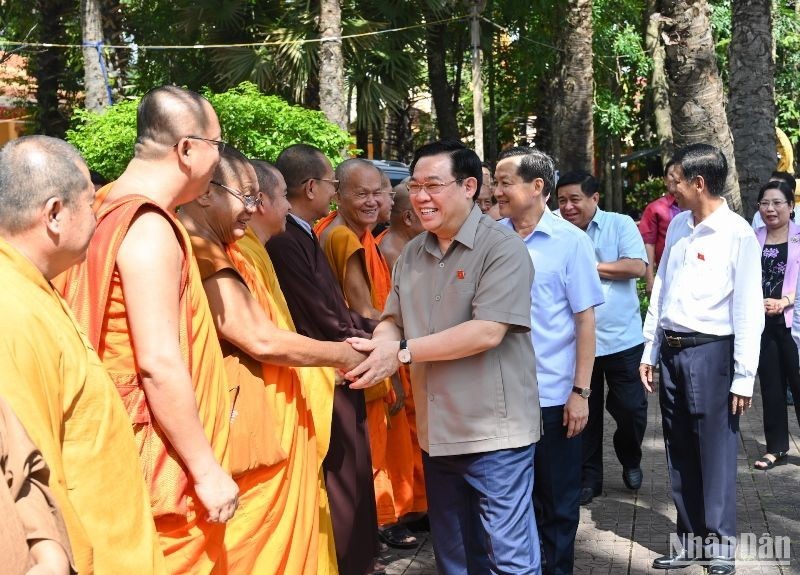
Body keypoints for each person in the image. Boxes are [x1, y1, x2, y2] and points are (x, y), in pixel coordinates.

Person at [59, 86, 237, 574]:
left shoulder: (99, 205)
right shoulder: (147, 227)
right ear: (187, 149)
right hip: (156, 458)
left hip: (113, 437)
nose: (218, 163)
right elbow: (158, 363)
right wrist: (206, 470)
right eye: (217, 147)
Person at [346, 140, 542, 574]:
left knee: (507, 558)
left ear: (469, 186)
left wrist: (399, 353)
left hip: (493, 434)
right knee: (453, 557)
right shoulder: (413, 253)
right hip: (436, 434)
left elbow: (487, 331)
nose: (420, 197)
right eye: (415, 186)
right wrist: (383, 341)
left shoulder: (502, 248)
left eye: (433, 185)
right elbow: (391, 317)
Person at [181, 147, 370, 573]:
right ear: (207, 194)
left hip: (271, 415)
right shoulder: (204, 252)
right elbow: (259, 338)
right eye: (247, 197)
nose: (257, 208)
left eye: (257, 198)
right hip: (239, 423)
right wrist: (339, 355)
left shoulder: (237, 249)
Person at [0, 135, 165, 574]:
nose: (97, 217)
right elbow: (30, 469)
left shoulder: (32, 287)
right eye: (90, 204)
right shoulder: (11, 309)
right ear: (54, 214)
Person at [640, 144, 763, 575]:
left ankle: (721, 545)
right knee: (679, 451)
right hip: (672, 351)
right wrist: (650, 348)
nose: (670, 189)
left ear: (699, 183)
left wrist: (744, 376)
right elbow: (663, 291)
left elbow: (748, 307)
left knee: (715, 452)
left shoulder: (737, 233)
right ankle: (689, 541)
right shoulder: (678, 228)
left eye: (676, 180)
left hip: (713, 353)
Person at [266, 144, 380, 575]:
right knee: (340, 474)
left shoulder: (305, 231)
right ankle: (349, 562)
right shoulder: (285, 240)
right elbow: (316, 310)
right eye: (334, 184)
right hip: (324, 366)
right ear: (311, 186)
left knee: (353, 471)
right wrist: (370, 336)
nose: (334, 193)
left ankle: (359, 557)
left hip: (341, 356)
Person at [495, 147, 603, 575]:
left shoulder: (571, 243)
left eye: (505, 182)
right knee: (508, 501)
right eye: (496, 182)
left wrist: (580, 392)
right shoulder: (491, 236)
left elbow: (585, 321)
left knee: (557, 502)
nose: (496, 191)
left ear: (537, 186)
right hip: (499, 395)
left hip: (553, 396)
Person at [315, 159, 419, 549]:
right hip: (368, 350)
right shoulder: (342, 237)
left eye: (379, 192)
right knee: (380, 444)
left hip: (375, 345)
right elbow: (364, 310)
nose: (373, 201)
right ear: (336, 193)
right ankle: (381, 520)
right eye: (362, 193)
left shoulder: (355, 235)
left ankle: (393, 514)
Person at [243, 158, 339, 574]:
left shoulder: (256, 249)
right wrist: (346, 353)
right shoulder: (236, 254)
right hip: (259, 409)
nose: (287, 205)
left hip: (291, 387)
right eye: (282, 196)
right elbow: (262, 337)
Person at [556, 170, 648, 505]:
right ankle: (589, 477)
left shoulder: (619, 224)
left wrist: (588, 266)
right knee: (584, 412)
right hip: (577, 340)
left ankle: (631, 455)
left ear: (594, 199)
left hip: (622, 338)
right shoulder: (553, 227)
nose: (566, 207)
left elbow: (637, 267)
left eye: (574, 199)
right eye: (561, 200)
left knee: (631, 408)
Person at [376, 177, 428, 531]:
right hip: (403, 353)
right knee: (403, 435)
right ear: (409, 217)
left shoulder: (413, 248)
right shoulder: (391, 250)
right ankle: (399, 512)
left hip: (418, 354)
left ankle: (421, 505)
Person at [753, 180, 800, 470]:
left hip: (793, 323)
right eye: (764, 203)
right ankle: (776, 448)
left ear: (791, 206)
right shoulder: (752, 237)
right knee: (770, 387)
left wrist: (785, 301)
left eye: (777, 203)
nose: (770, 209)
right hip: (763, 324)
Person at [639, 160, 683, 295]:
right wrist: (650, 279)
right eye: (671, 175)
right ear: (665, 180)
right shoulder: (655, 208)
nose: (675, 179)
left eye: (679, 175)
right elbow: (648, 244)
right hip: (666, 273)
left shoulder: (694, 206)